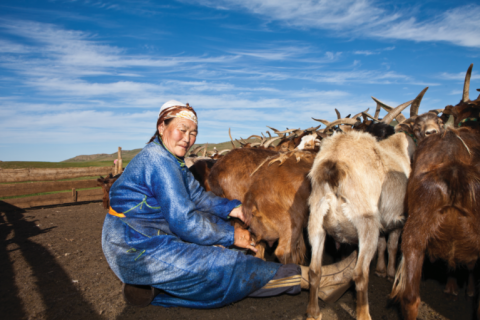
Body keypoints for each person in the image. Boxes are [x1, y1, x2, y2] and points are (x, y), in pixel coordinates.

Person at [101, 100, 356, 309]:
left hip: (150, 235)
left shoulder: (171, 160)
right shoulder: (158, 161)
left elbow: (198, 198)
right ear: (161, 126)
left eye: (193, 133)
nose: (187, 139)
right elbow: (184, 221)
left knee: (214, 231)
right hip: (135, 247)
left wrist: (234, 209)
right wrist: (232, 234)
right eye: (182, 130)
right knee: (221, 268)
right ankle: (315, 279)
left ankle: (153, 287)